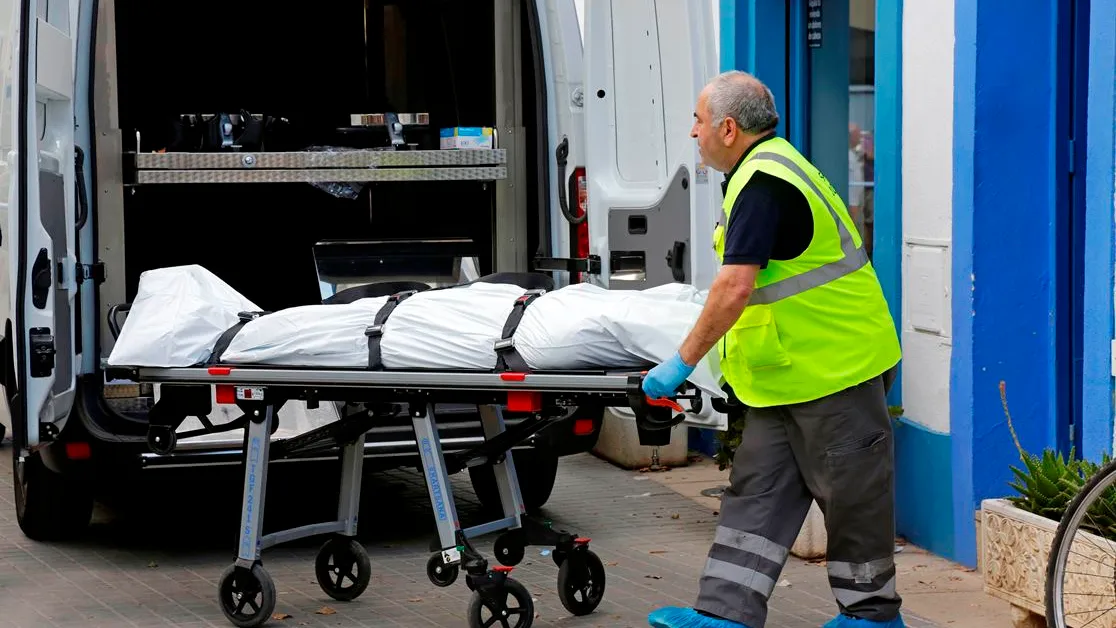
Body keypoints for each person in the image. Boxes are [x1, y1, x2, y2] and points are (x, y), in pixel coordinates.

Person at [643, 70, 905, 628]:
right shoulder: (764, 171)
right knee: (755, 494)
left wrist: (682, 361)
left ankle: (872, 618)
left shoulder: (765, 185)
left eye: (698, 120)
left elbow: (735, 287)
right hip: (783, 376)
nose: (694, 132)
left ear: (729, 128)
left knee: (852, 499)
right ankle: (725, 613)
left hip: (837, 371)